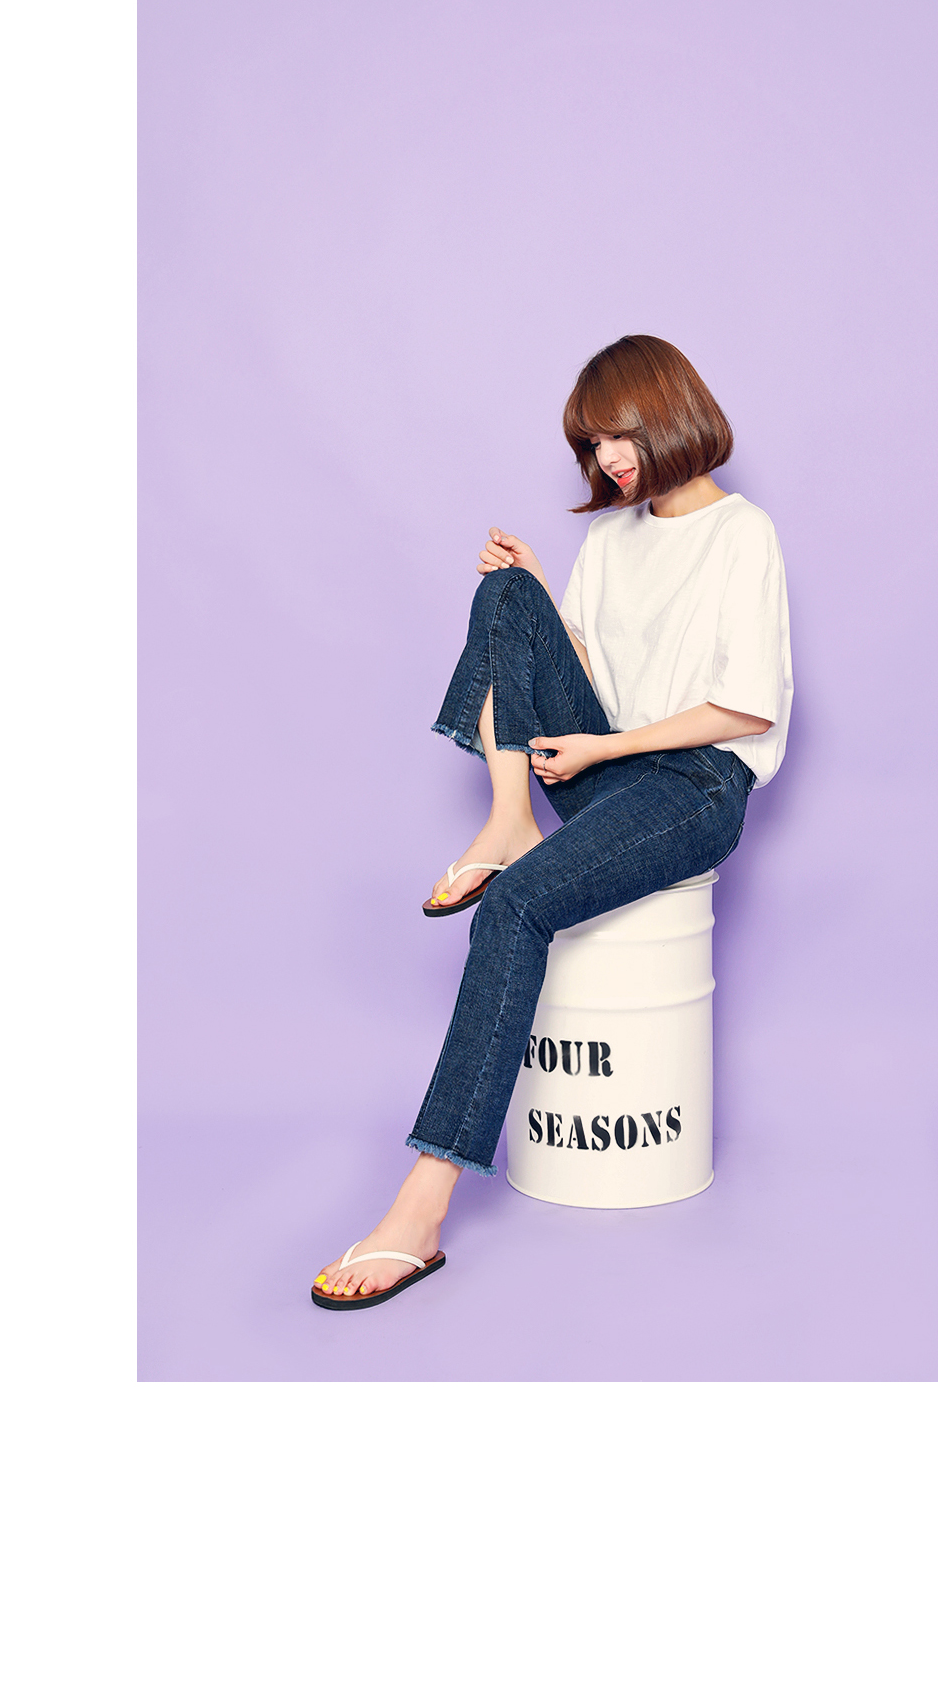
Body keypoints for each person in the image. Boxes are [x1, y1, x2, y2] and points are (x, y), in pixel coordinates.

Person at [311, 334, 793, 1310]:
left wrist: (604, 750)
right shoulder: (610, 538)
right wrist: (536, 590)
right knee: (503, 591)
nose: (607, 458)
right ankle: (505, 822)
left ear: (671, 412)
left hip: (695, 784)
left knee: (514, 908)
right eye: (592, 442)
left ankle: (421, 1206)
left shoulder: (743, 532)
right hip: (604, 766)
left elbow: (745, 707)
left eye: (620, 434)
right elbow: (590, 669)